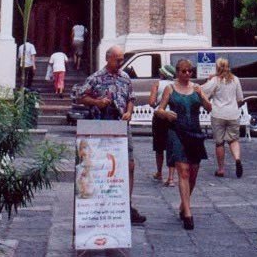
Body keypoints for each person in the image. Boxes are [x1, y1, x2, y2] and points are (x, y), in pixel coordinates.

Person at [78, 44, 147, 225]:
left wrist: (129, 112)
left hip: (122, 126)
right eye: (118, 60)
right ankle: (100, 204)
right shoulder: (96, 78)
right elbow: (81, 97)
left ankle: (126, 203)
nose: (121, 62)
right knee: (103, 166)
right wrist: (97, 102)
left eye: (122, 59)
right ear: (108, 59)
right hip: (102, 127)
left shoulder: (125, 78)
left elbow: (131, 98)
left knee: (129, 164)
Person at [157, 58, 212, 230]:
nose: (187, 74)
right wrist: (165, 115)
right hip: (176, 133)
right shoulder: (170, 88)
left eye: (190, 71)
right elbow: (159, 109)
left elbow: (209, 107)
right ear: (177, 72)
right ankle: (188, 213)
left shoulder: (196, 88)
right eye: (184, 71)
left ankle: (183, 203)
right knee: (184, 171)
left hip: (194, 133)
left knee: (194, 173)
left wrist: (202, 94)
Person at [201, 57, 245, 177]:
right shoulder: (235, 79)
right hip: (233, 114)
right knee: (234, 139)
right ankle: (237, 159)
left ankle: (221, 169)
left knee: (219, 143)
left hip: (218, 114)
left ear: (217, 67)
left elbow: (202, 91)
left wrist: (207, 80)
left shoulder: (215, 80)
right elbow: (240, 99)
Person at [149, 64, 176, 184]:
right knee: (172, 146)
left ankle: (159, 172)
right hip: (172, 116)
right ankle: (171, 177)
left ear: (162, 74)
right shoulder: (175, 85)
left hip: (160, 116)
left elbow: (151, 102)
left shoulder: (157, 84)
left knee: (159, 147)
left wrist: (157, 104)